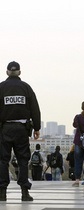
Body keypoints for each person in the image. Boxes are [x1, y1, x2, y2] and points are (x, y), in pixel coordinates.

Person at [0, 61, 41, 202]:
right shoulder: (26, 88)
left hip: (4, 129)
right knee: (23, 160)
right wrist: (37, 128)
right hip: (22, 129)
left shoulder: (1, 88)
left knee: (2, 160)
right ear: (19, 72)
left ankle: (2, 192)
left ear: (7, 72)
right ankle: (24, 192)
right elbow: (35, 109)